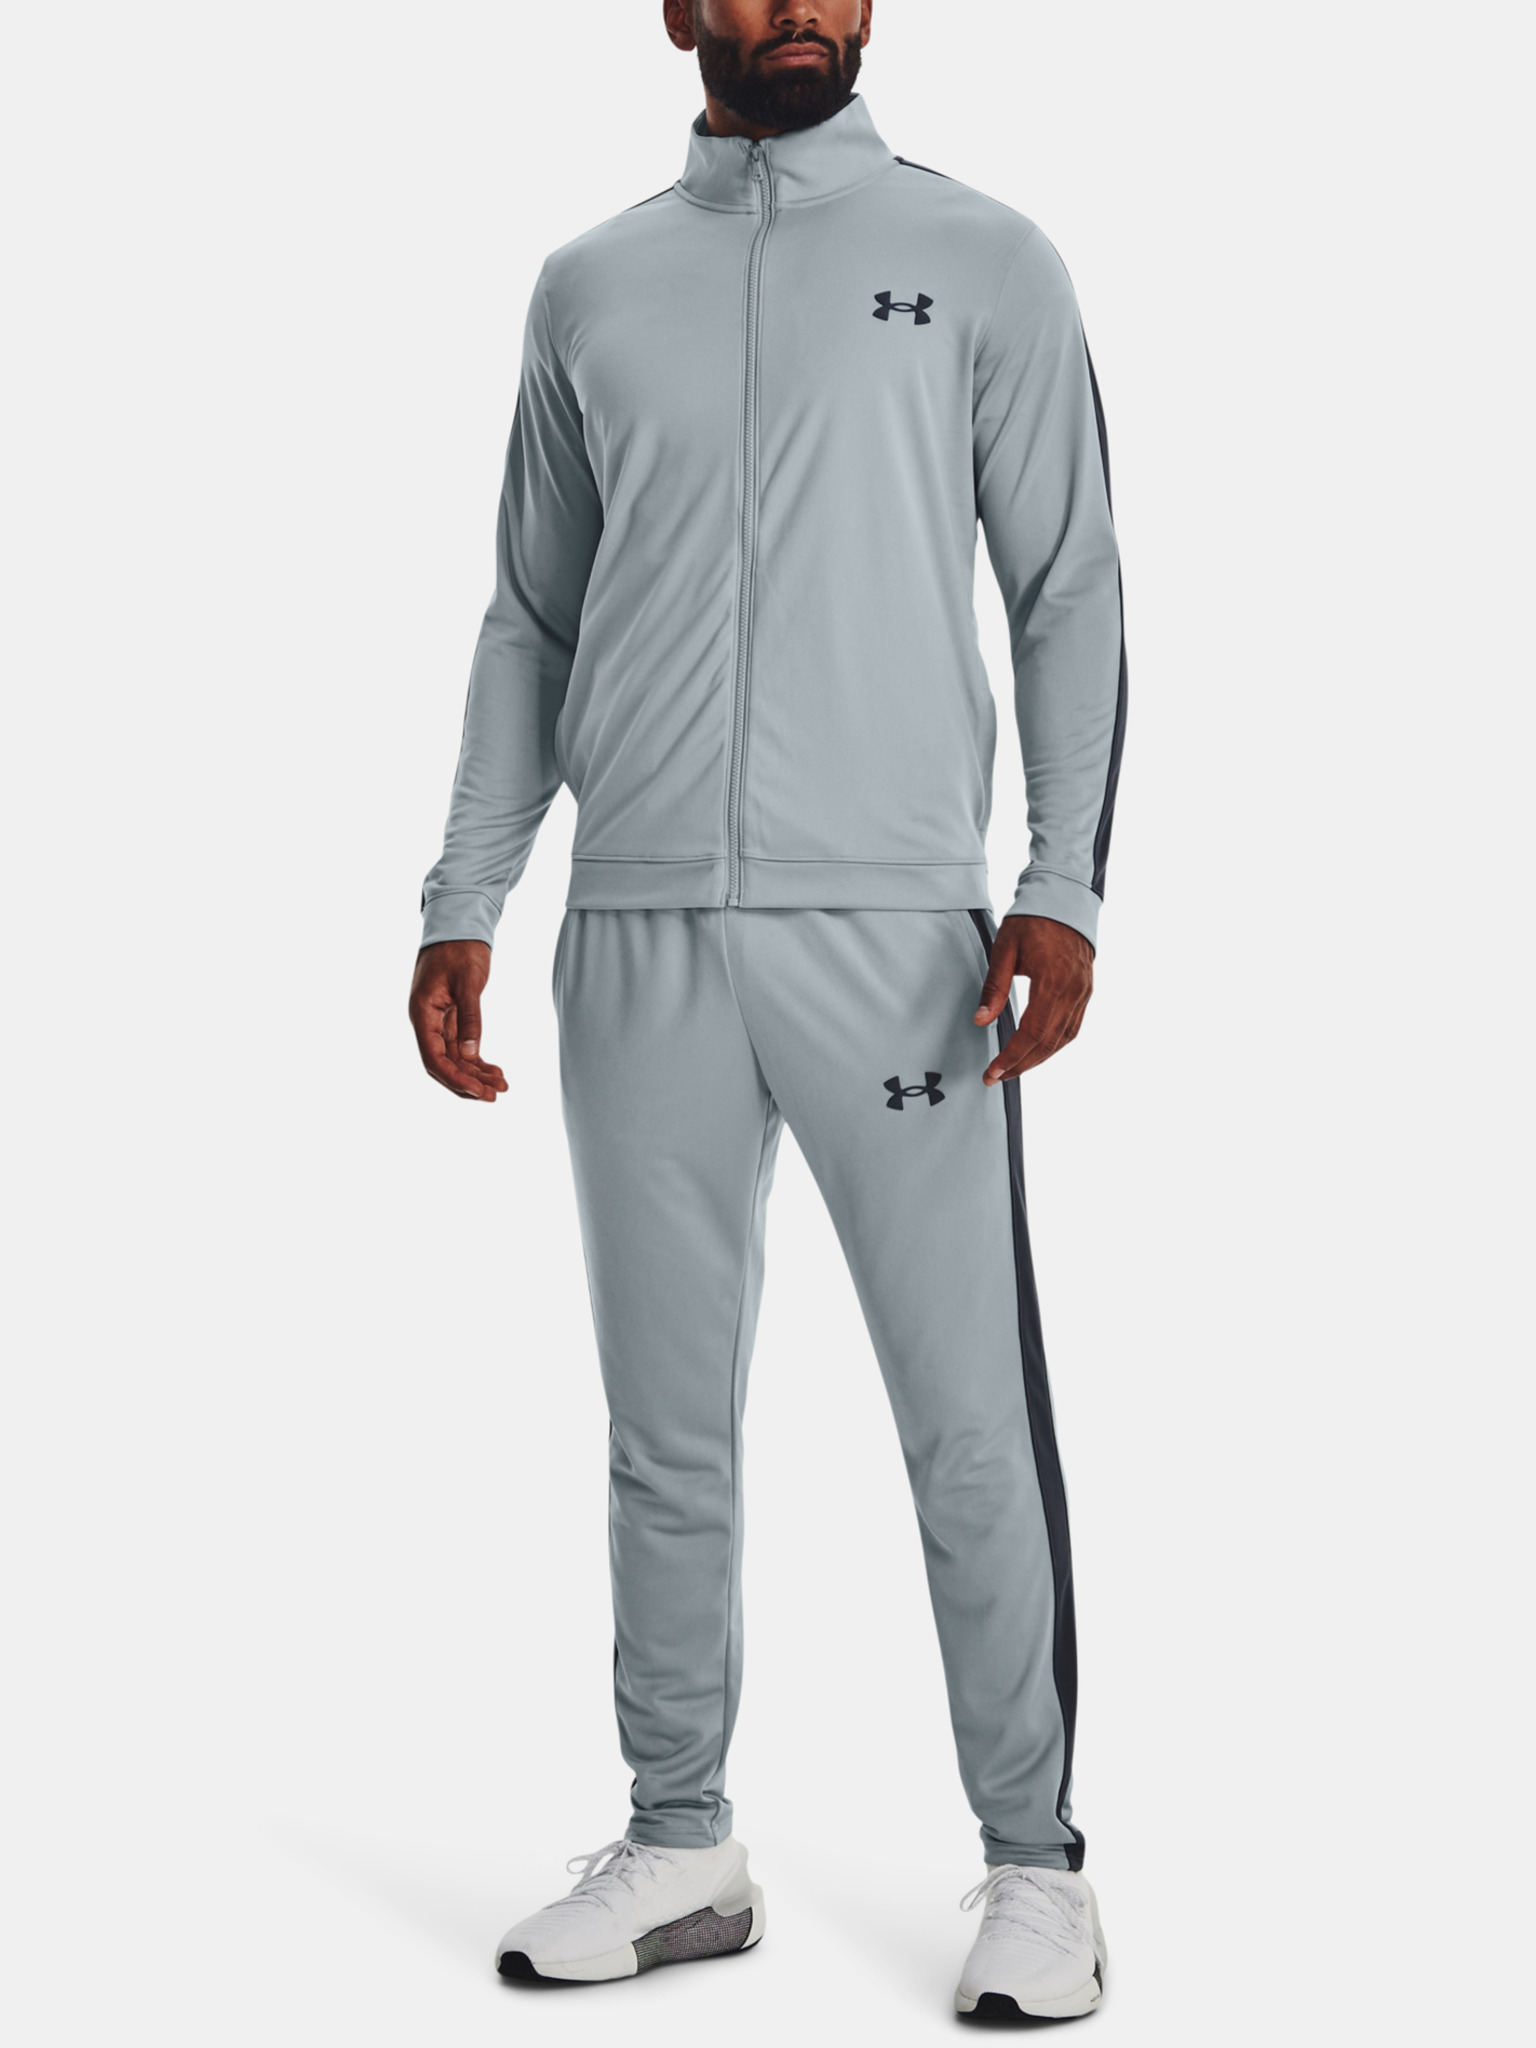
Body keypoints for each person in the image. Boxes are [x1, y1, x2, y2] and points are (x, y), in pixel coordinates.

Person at [408, 0, 1125, 2021]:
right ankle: (681, 1840)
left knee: (966, 1423)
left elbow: (1069, 582)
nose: (799, 5)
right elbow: (530, 616)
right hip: (638, 928)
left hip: (896, 934)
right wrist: (467, 893)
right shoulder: (590, 285)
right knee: (663, 1431)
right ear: (678, 11)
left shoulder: (986, 257)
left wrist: (1062, 885)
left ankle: (1036, 1865)